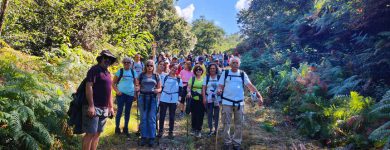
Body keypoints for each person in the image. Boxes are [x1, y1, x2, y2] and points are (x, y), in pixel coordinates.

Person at [217, 56, 263, 150]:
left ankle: (236, 143)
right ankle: (227, 142)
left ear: (239, 64)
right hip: (227, 102)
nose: (234, 64)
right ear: (229, 64)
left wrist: (259, 96)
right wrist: (219, 90)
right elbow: (220, 85)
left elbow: (250, 86)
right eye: (233, 62)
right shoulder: (225, 73)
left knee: (239, 124)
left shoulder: (242, 74)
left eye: (236, 63)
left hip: (239, 103)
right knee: (226, 123)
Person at [82, 50, 116, 150]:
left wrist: (111, 107)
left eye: (110, 59)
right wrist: (91, 106)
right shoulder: (94, 70)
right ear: (100, 58)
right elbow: (89, 86)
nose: (107, 60)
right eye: (105, 58)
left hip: (104, 108)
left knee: (97, 134)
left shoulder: (108, 73)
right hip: (94, 107)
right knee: (90, 134)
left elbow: (109, 91)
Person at [135, 60, 162, 147]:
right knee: (143, 118)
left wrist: (157, 90)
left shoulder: (156, 76)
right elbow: (137, 85)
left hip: (153, 98)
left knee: (152, 118)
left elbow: (160, 88)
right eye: (148, 65)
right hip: (143, 97)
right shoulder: (141, 75)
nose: (149, 67)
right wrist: (137, 88)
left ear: (153, 66)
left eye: (151, 65)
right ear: (145, 66)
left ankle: (151, 137)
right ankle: (143, 137)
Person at [112, 57, 137, 135]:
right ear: (123, 63)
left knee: (127, 112)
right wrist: (117, 91)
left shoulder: (133, 72)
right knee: (119, 111)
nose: (126, 64)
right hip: (121, 94)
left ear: (131, 64)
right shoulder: (120, 71)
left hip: (130, 94)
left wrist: (135, 94)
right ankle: (117, 128)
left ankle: (126, 128)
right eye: (125, 62)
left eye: (128, 62)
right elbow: (113, 83)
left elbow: (136, 84)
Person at [157, 64, 183, 139]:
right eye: (173, 68)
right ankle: (160, 131)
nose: (174, 70)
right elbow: (161, 87)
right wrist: (159, 96)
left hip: (174, 98)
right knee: (162, 115)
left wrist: (179, 100)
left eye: (176, 69)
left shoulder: (179, 79)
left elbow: (181, 90)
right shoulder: (164, 77)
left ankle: (170, 132)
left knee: (172, 116)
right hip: (164, 97)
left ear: (177, 70)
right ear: (170, 68)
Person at [202, 63, 221, 137]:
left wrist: (220, 91)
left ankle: (216, 130)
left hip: (217, 99)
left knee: (217, 115)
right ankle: (211, 129)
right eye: (211, 68)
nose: (212, 70)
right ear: (209, 69)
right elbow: (203, 88)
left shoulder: (219, 77)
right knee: (209, 115)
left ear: (216, 69)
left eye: (214, 68)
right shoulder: (206, 78)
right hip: (208, 99)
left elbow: (222, 87)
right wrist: (204, 98)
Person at [186, 65, 205, 138]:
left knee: (200, 115)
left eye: (200, 70)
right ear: (195, 71)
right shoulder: (192, 78)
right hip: (193, 99)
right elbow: (188, 87)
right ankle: (193, 129)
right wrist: (189, 92)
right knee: (193, 114)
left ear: (202, 71)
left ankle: (199, 130)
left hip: (201, 100)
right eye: (197, 70)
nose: (198, 71)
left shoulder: (204, 79)